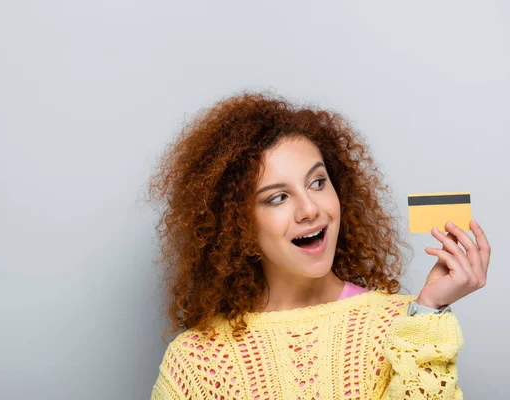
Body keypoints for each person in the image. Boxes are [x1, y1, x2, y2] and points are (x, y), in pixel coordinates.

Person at [147, 92, 490, 399]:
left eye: (317, 182)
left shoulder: (407, 324)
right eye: (278, 197)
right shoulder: (196, 361)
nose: (310, 209)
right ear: (238, 226)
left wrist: (429, 310)